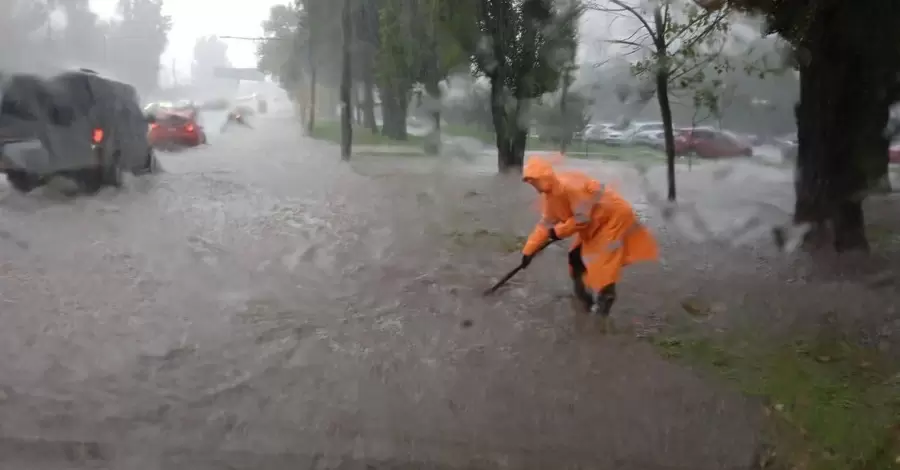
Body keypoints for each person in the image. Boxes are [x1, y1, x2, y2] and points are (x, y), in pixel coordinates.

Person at [520, 156, 658, 326]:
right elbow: (545, 225)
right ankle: (584, 301)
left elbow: (581, 218)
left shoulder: (571, 188)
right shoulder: (551, 197)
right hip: (593, 225)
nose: (534, 187)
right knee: (576, 260)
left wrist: (557, 232)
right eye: (531, 183)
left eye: (534, 182)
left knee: (602, 266)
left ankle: (602, 313)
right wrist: (528, 251)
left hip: (612, 220)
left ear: (544, 177)